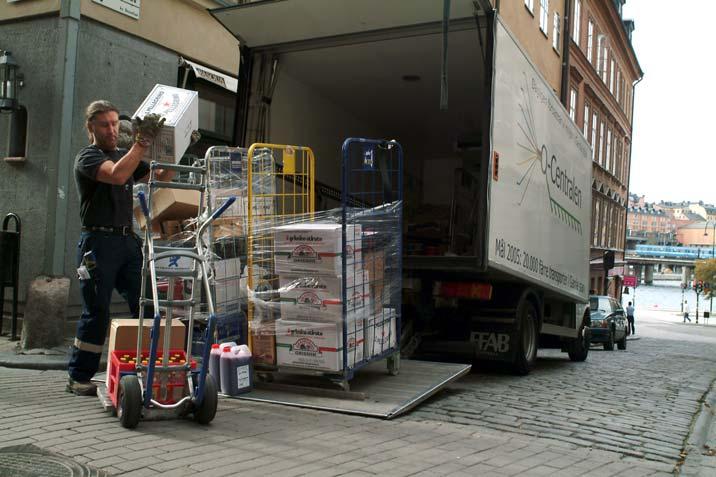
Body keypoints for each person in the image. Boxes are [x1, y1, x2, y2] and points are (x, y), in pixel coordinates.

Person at [67, 100, 170, 396]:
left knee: (147, 303)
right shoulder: (88, 157)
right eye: (105, 124)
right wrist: (140, 144)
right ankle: (78, 377)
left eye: (115, 123)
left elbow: (158, 179)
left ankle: (150, 367)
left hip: (127, 242)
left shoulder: (124, 155)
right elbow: (117, 175)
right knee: (97, 311)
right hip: (97, 245)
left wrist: (174, 149)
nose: (112, 130)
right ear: (91, 128)